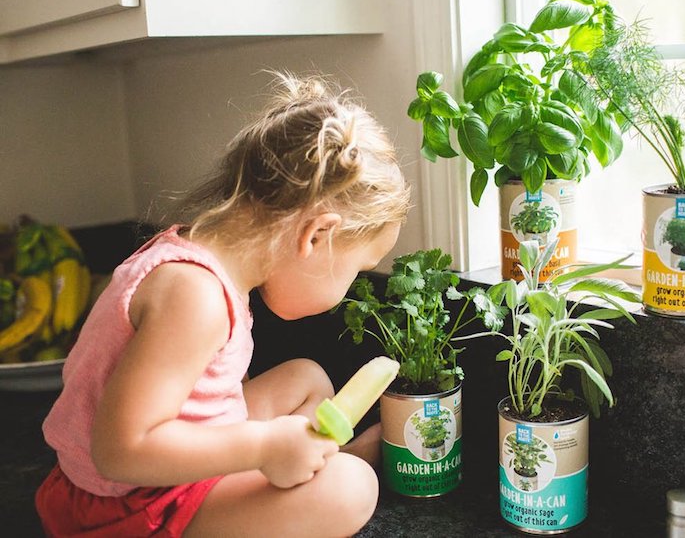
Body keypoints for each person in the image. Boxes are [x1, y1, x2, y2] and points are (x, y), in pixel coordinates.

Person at [35, 71, 411, 537]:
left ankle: (305, 466)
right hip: (124, 506)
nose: (352, 286)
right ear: (316, 236)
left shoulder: (204, 262)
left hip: (154, 480)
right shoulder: (193, 297)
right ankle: (307, 481)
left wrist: (270, 447)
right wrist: (264, 447)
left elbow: (203, 395)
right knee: (352, 490)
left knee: (306, 378)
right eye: (357, 269)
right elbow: (120, 451)